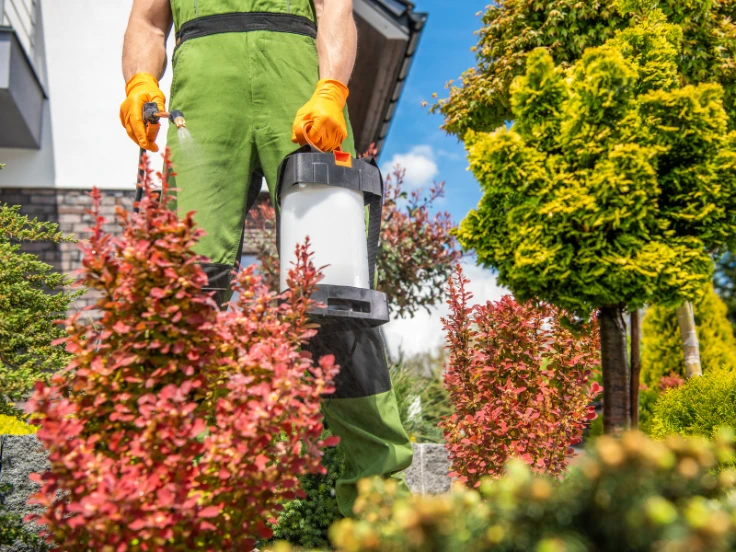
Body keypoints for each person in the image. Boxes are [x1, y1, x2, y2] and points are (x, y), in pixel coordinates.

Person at [120, 0, 413, 517]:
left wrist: (332, 89)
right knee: (186, 284)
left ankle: (378, 499)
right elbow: (147, 19)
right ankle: (172, 484)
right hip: (203, 97)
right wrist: (140, 81)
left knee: (334, 288)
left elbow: (335, 8)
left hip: (298, 84)